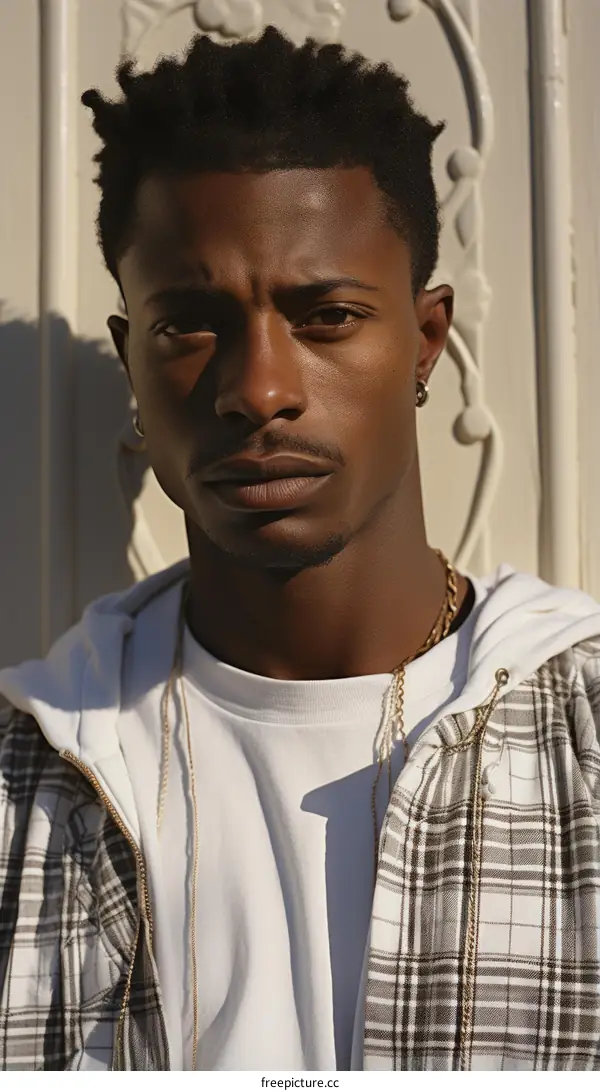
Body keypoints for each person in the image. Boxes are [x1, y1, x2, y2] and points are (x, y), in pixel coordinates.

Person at [0, 25, 599, 1073]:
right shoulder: (29, 776)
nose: (259, 389)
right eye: (190, 324)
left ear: (423, 340)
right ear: (134, 358)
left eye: (325, 314)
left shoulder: (583, 732)